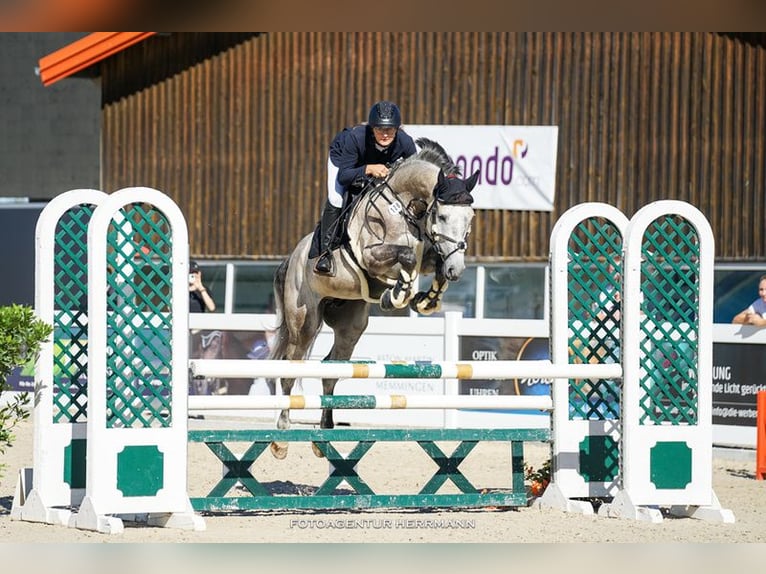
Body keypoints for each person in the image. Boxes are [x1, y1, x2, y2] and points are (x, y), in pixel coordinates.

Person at [313, 100, 418, 276]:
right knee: (337, 199)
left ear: (397, 129)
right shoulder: (355, 138)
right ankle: (325, 254)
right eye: (379, 129)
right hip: (344, 162)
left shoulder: (405, 142)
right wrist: (368, 168)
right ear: (372, 129)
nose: (385, 135)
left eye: (390, 130)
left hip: (375, 166)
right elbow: (344, 176)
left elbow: (413, 173)